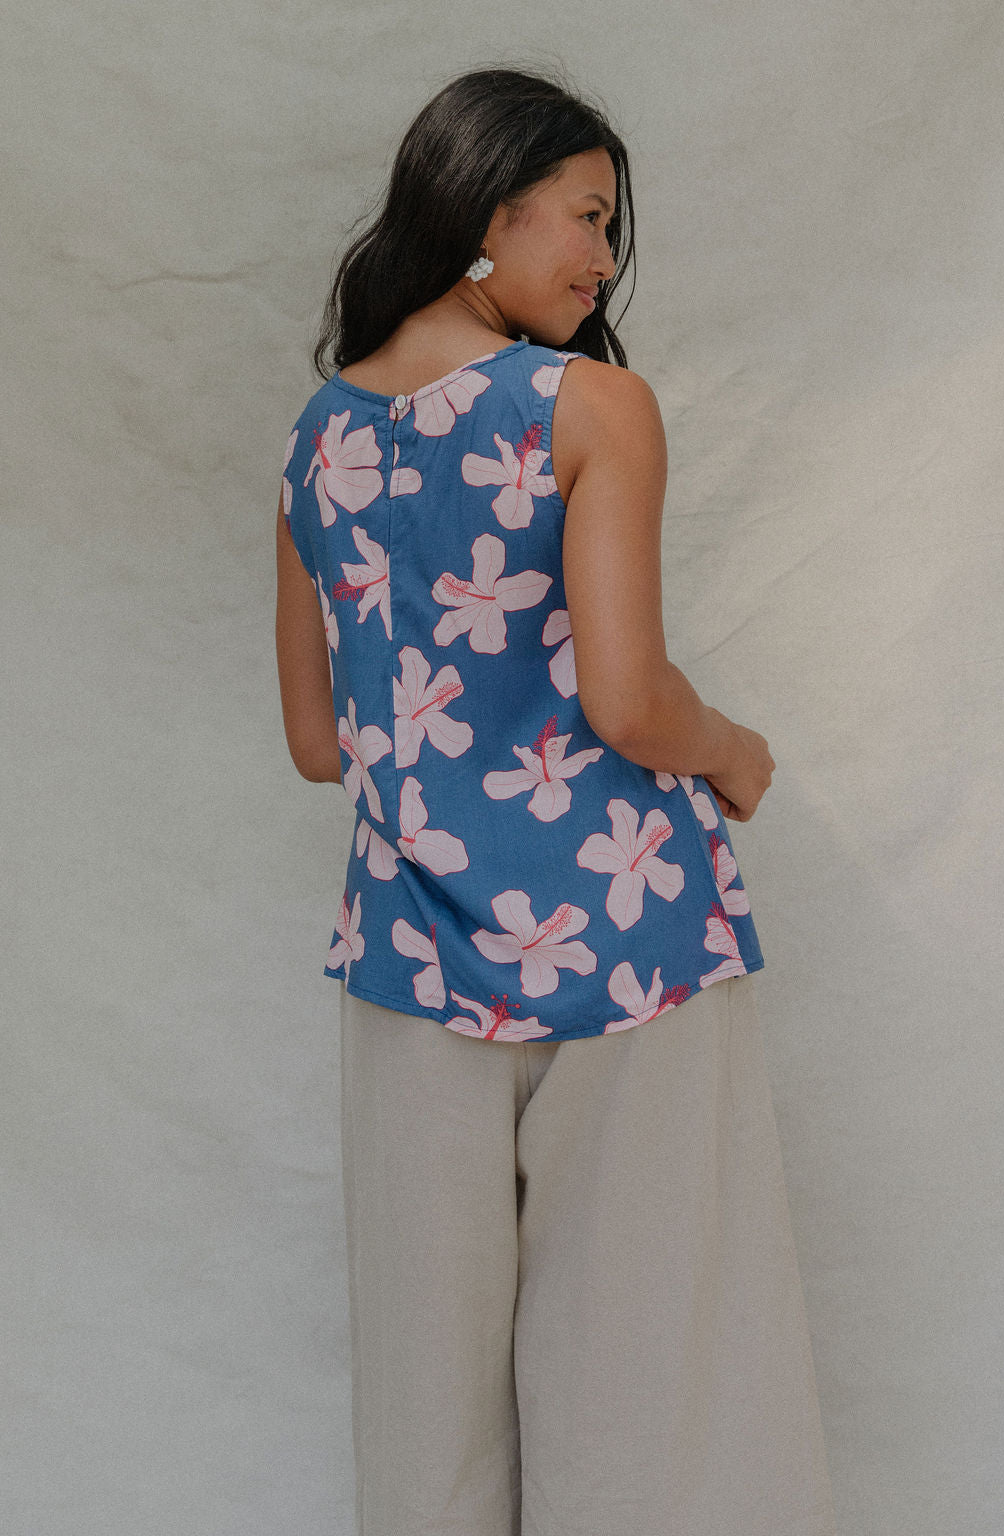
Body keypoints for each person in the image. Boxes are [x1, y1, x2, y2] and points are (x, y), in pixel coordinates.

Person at [275, 63, 837, 1536]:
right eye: (586, 217)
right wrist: (733, 752)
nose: (602, 257)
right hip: (621, 934)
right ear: (488, 206)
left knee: (426, 1400)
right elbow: (628, 700)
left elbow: (321, 745)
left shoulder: (317, 444)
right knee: (647, 1376)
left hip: (405, 954)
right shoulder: (589, 406)